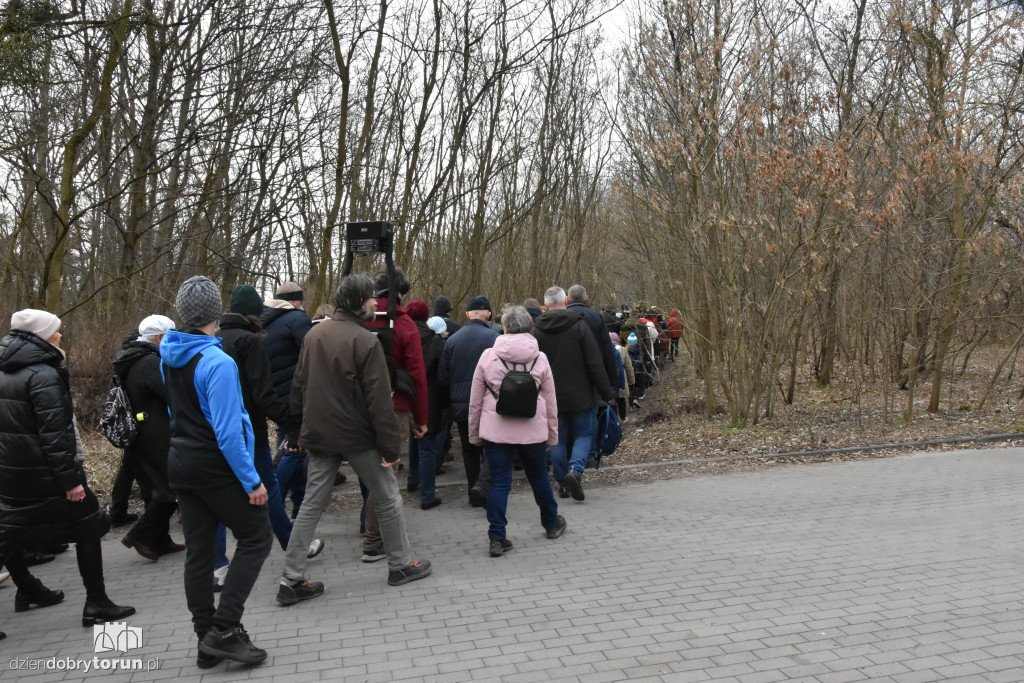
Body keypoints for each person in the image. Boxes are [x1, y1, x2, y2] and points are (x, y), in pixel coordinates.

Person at [276, 274, 432, 607]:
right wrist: (390, 447)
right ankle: (401, 564)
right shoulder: (365, 341)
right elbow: (379, 401)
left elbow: (298, 387)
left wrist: (296, 431)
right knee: (388, 496)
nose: (376, 303)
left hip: (319, 434)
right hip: (358, 437)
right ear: (360, 302)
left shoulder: (314, 334)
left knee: (311, 505)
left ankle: (290, 578)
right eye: (372, 298)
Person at [161, 276, 271, 668]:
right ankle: (224, 629)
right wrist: (251, 480)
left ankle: (205, 640)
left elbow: (177, 412)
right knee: (257, 535)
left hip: (181, 463)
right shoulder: (217, 361)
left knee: (200, 552)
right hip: (214, 466)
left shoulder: (169, 354)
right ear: (214, 312)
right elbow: (228, 432)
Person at [0, 309, 135, 627]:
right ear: (42, 337)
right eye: (56, 330)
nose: (61, 335)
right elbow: (55, 434)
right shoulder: (44, 374)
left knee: (7, 535)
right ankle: (97, 603)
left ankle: (29, 589)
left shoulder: (5, 369)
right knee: (89, 526)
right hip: (46, 475)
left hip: (10, 474)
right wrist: (71, 480)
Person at [212, 285, 323, 588]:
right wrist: (292, 426)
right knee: (269, 489)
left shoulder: (212, 341)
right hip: (249, 433)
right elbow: (264, 395)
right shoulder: (250, 341)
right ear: (253, 312)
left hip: (214, 435)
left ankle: (218, 565)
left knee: (217, 499)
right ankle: (292, 544)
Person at [468, 305, 565, 557]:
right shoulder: (540, 358)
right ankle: (552, 523)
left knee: (499, 482)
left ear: (505, 326)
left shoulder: (488, 356)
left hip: (496, 431)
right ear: (529, 327)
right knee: (539, 478)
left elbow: (476, 401)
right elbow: (551, 402)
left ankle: (497, 538)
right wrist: (552, 435)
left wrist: (474, 434)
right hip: (532, 430)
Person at [362, 268, 427, 558]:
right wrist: (421, 419)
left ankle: (368, 528)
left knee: (369, 471)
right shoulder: (404, 325)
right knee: (387, 478)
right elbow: (417, 376)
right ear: (401, 293)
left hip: (356, 408)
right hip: (394, 409)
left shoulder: (357, 321)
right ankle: (374, 541)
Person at [532, 287, 615, 502]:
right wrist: (607, 391)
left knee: (556, 440)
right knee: (583, 435)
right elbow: (594, 362)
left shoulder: (537, 330)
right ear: (566, 301)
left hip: (551, 395)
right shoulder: (579, 325)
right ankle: (576, 471)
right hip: (581, 393)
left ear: (546, 304)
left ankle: (562, 483)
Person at [116, 314, 183, 561]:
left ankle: (160, 540)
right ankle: (140, 535)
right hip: (155, 434)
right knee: (172, 487)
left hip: (140, 433)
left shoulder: (131, 358)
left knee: (152, 488)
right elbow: (170, 394)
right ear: (159, 338)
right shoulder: (149, 363)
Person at [437, 295, 498, 507]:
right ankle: (488, 488)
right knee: (493, 448)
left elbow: (443, 377)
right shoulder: (494, 338)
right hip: (491, 404)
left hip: (461, 404)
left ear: (466, 315)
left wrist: (448, 404)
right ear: (488, 314)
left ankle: (475, 492)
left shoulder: (452, 340)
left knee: (469, 449)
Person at [261, 281, 312, 518]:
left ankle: (299, 501)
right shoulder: (297, 319)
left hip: (275, 396)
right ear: (295, 300)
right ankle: (274, 502)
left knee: (291, 444)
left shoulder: (263, 322)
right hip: (297, 397)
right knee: (295, 449)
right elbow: (314, 352)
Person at [404, 300, 446, 508]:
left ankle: (412, 478)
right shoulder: (435, 341)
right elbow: (441, 373)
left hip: (405, 394)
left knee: (414, 438)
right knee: (427, 443)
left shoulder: (401, 337)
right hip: (429, 396)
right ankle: (427, 495)